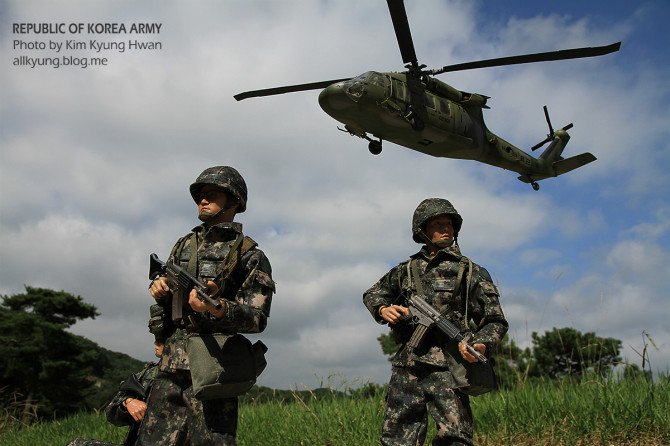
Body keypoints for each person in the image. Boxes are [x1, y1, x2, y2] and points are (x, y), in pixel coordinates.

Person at [136, 166, 275, 446]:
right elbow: (166, 304)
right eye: (200, 194)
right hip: (170, 365)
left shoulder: (250, 255)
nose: (203, 199)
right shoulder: (183, 246)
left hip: (213, 367)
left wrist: (218, 308)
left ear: (234, 202)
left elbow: (257, 318)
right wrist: (159, 290)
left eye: (212, 194)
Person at [363, 198, 508, 446]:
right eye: (437, 223)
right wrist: (383, 309)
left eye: (449, 223)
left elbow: (494, 320)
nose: (446, 228)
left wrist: (481, 345)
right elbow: (373, 293)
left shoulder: (471, 271)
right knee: (397, 438)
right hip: (408, 367)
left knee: (455, 438)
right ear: (422, 230)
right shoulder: (406, 270)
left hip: (449, 369)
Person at [66, 343, 163, 446]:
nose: (156, 343)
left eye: (162, 339)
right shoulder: (150, 373)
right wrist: (128, 403)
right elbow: (112, 413)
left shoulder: (181, 382)